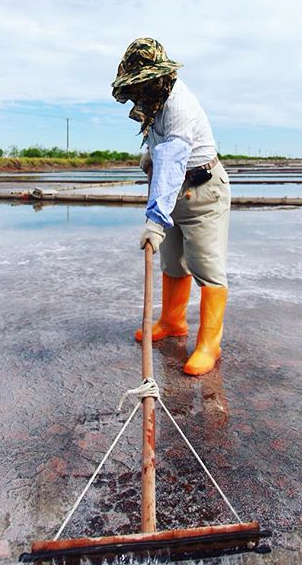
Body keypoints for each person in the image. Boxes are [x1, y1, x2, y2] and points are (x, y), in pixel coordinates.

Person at [111, 38, 231, 376]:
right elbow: (160, 153)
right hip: (175, 191)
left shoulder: (178, 104)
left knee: (205, 265)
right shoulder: (156, 101)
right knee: (173, 261)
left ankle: (210, 344)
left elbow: (173, 162)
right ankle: (172, 321)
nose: (138, 91)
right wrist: (149, 153)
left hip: (203, 190)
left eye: (141, 83)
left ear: (159, 76)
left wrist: (154, 220)